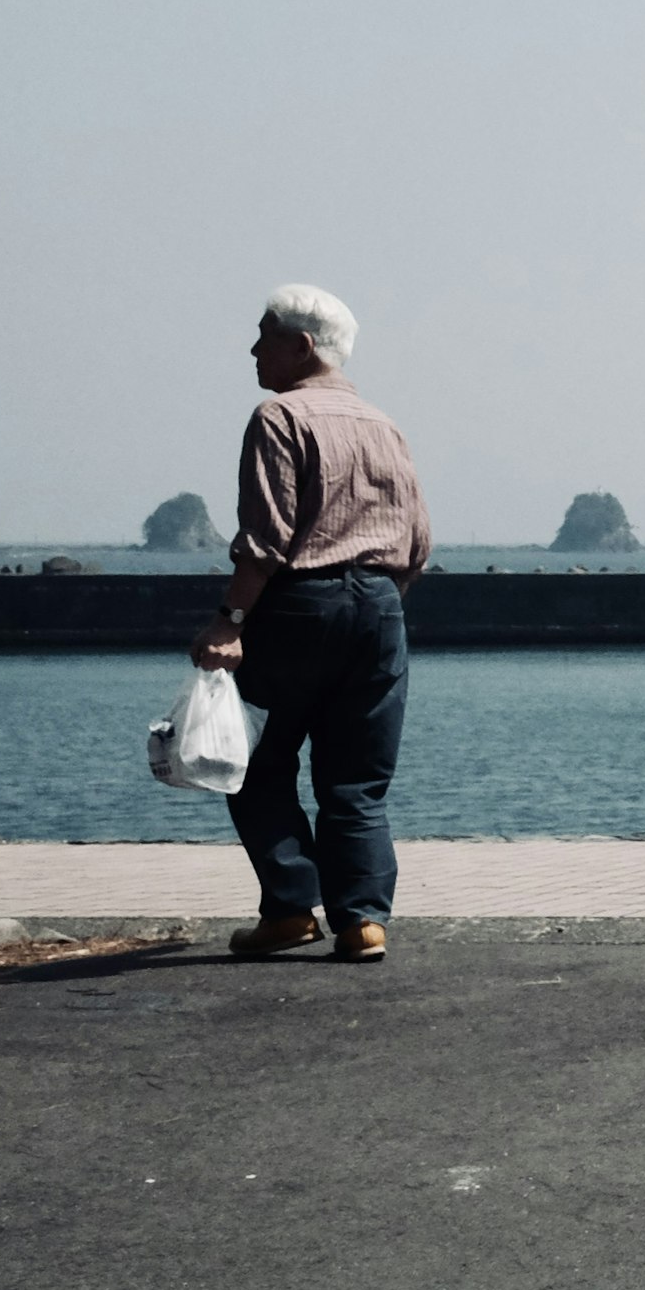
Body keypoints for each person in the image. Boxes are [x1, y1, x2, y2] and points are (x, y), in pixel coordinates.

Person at [187, 286, 432, 962]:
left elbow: (266, 539)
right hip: (381, 605)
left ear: (303, 346)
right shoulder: (386, 426)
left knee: (258, 764)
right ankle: (363, 921)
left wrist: (229, 619)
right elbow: (418, 542)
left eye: (264, 334)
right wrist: (375, 600)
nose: (253, 348)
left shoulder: (278, 418)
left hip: (298, 603)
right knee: (356, 779)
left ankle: (292, 907)